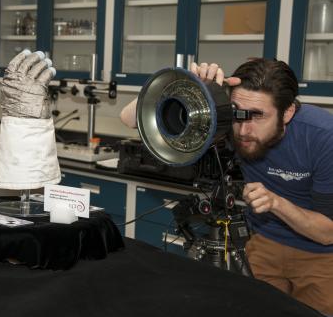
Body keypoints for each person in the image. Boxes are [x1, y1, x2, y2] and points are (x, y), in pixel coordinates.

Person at [120, 59, 333, 315]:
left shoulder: (323, 137)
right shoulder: (232, 122)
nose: (243, 130)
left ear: (287, 112)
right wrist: (187, 81)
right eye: (237, 113)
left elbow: (327, 232)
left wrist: (276, 203)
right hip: (264, 241)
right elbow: (129, 118)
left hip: (321, 257)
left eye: (257, 116)